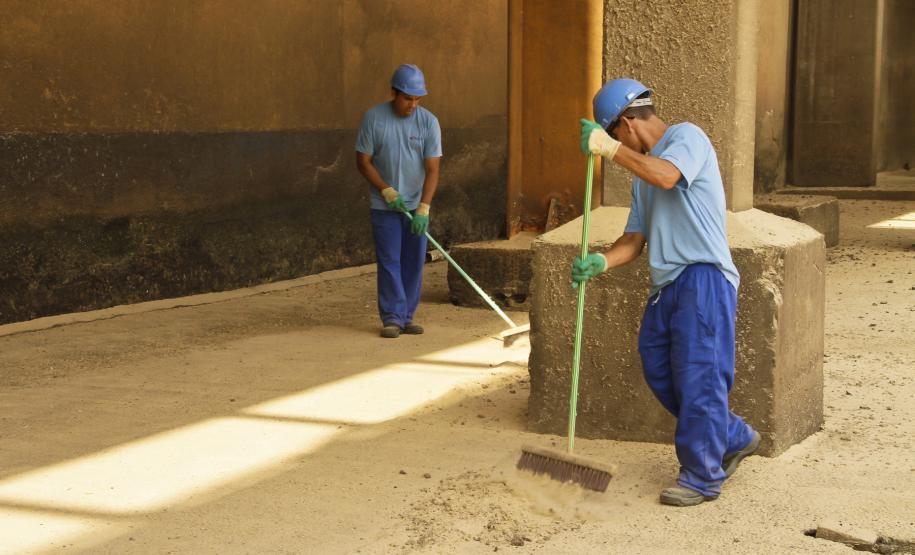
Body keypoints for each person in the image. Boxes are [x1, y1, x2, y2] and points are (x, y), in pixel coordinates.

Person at [573, 78, 761, 506]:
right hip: (667, 286)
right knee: (659, 370)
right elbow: (634, 241)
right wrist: (601, 262)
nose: (616, 144)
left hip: (703, 278)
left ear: (625, 124)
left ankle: (702, 475)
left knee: (699, 378)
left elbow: (668, 176)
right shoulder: (642, 176)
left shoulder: (686, 137)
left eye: (614, 135)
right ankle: (731, 434)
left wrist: (610, 150)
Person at [356, 64, 442, 339]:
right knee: (390, 259)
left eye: (418, 99)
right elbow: (363, 161)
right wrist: (385, 190)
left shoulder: (428, 122)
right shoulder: (374, 118)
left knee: (414, 261)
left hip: (416, 207)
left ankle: (407, 316)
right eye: (407, 98)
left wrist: (424, 209)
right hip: (385, 206)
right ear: (394, 93)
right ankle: (392, 317)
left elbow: (433, 169)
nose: (412, 105)